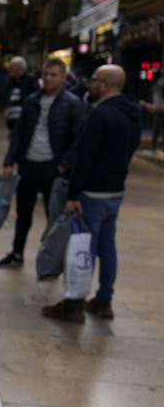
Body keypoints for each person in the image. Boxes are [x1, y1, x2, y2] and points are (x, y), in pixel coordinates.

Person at [42, 65, 142, 323]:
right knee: (107, 246)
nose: (90, 83)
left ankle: (74, 305)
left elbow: (84, 157)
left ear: (105, 85)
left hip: (93, 192)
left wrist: (73, 195)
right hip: (115, 191)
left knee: (84, 248)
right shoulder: (133, 113)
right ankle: (104, 300)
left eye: (94, 79)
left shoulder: (100, 114)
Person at [0, 59, 86, 269]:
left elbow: (78, 139)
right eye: (45, 74)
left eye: (53, 75)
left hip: (53, 168)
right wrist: (9, 161)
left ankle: (52, 261)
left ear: (63, 78)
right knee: (23, 214)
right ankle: (17, 253)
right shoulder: (31, 101)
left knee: (53, 216)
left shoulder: (73, 104)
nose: (48, 78)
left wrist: (63, 165)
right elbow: (18, 133)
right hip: (29, 164)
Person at [0, 56, 38, 132]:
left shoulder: (30, 80)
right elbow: (5, 96)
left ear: (19, 68)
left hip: (25, 118)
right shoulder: (10, 81)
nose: (9, 69)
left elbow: (34, 98)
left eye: (12, 67)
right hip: (12, 118)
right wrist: (5, 108)